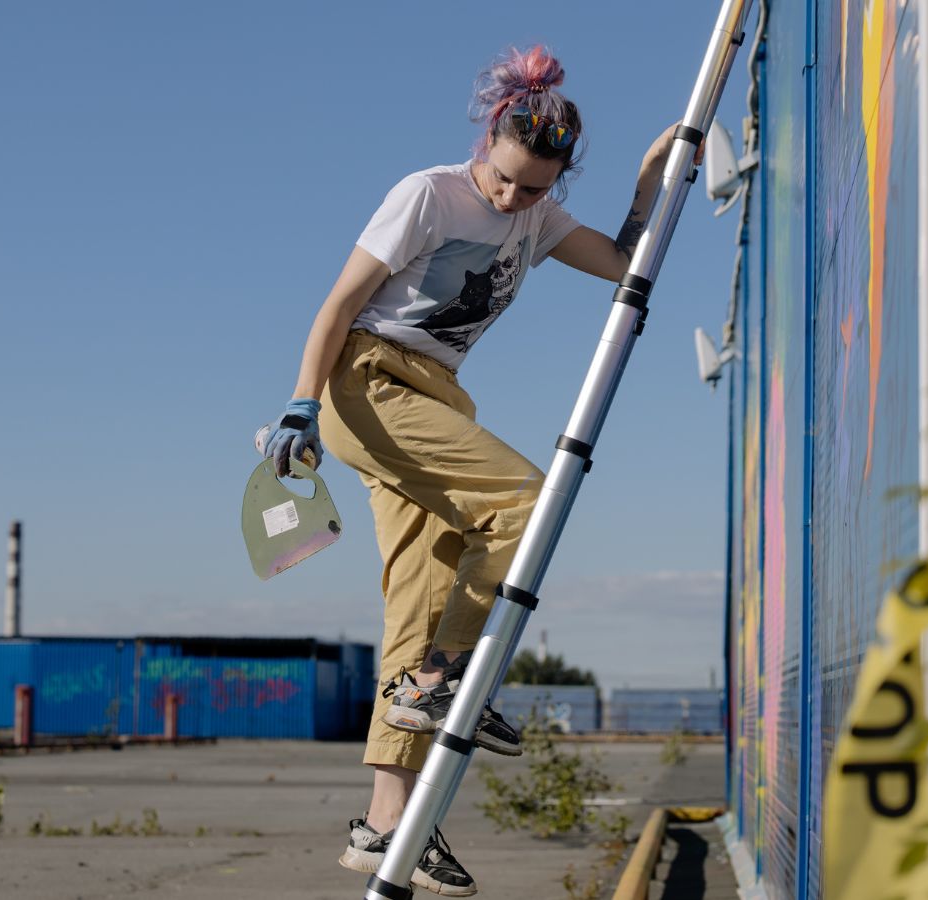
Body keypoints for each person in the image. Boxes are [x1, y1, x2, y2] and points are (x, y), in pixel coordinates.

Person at [258, 45, 700, 896]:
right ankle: (439, 679)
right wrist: (299, 403)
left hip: (435, 401)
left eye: (533, 187)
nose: (510, 198)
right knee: (529, 502)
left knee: (418, 601)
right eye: (502, 178)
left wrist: (651, 177)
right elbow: (338, 303)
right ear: (489, 140)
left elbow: (625, 265)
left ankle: (386, 827)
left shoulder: (538, 221)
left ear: (557, 180)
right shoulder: (428, 194)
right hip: (367, 381)